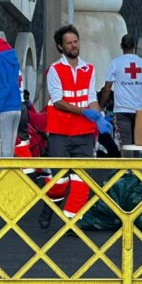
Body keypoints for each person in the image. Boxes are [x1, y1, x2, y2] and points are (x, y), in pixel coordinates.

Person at [40, 24, 112, 228]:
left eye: (76, 41)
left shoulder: (89, 68)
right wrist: (85, 112)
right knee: (59, 181)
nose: (74, 45)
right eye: (69, 43)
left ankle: (71, 221)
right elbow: (57, 101)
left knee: (82, 180)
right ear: (60, 47)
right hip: (60, 132)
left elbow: (90, 97)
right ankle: (49, 204)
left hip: (83, 134)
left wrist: (98, 116)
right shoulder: (54, 70)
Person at [100, 35, 142, 151]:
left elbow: (107, 88)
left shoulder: (115, 63)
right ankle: (136, 168)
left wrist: (101, 106)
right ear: (134, 45)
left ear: (121, 46)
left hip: (122, 110)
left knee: (125, 142)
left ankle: (129, 169)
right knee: (137, 142)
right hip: (140, 109)